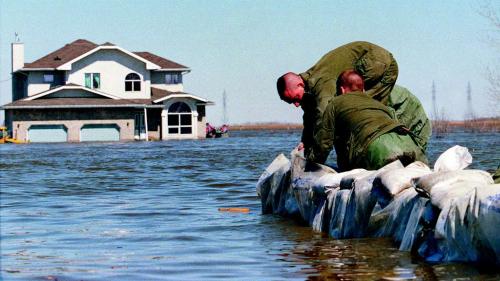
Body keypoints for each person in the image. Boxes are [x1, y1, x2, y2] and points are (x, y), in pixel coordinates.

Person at [276, 41, 430, 156]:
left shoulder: (321, 84)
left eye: (295, 98)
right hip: (371, 61)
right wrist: (306, 141)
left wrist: (315, 160)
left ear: (299, 84)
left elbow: (325, 119)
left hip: (379, 64)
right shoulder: (307, 91)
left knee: (359, 109)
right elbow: (310, 117)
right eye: (291, 103)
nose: (296, 104)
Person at [308, 70, 427, 171]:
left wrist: (311, 164)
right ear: (363, 89)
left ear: (342, 89)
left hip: (379, 148)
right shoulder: (380, 104)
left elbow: (324, 143)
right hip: (409, 143)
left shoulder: (335, 103)